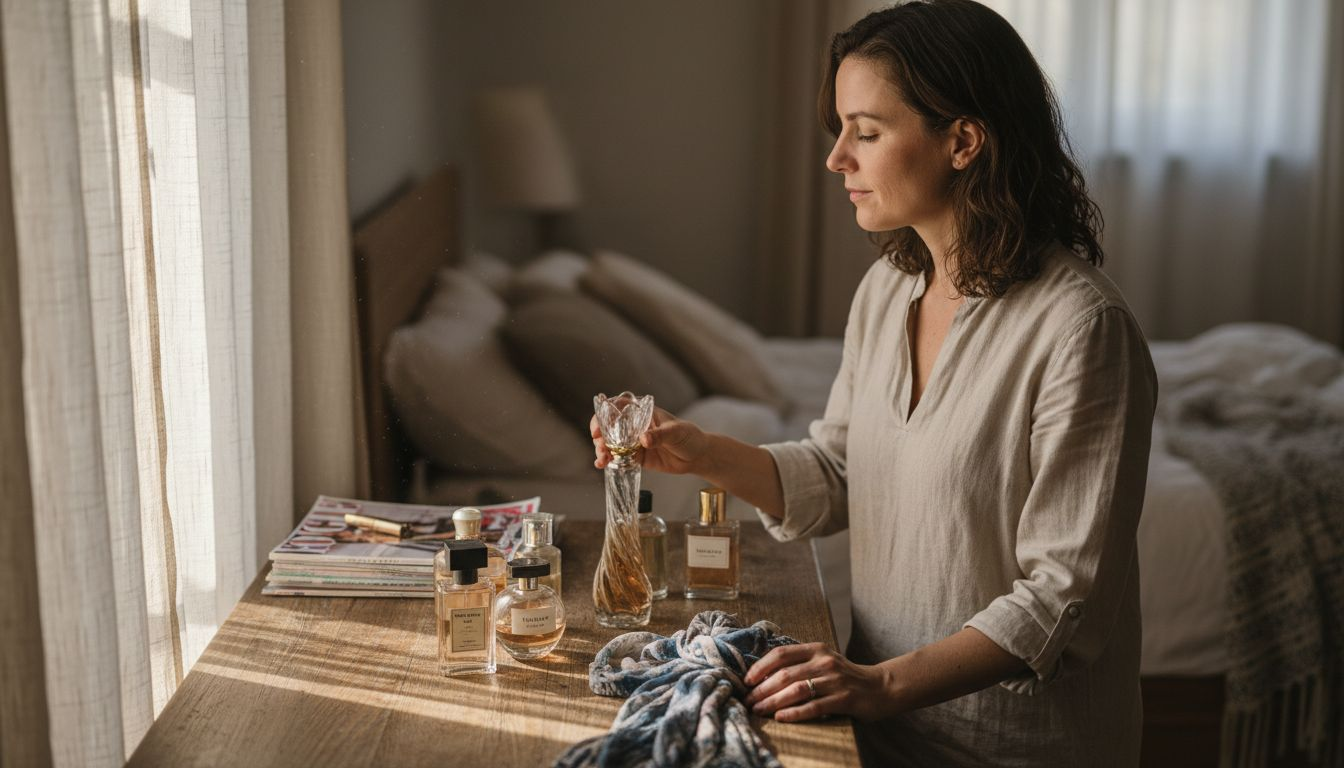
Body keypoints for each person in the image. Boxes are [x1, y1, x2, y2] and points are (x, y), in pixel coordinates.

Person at [590, 1, 1156, 765]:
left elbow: (1063, 595)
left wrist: (882, 684)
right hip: (875, 729)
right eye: (841, 131)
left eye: (866, 131)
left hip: (1012, 747)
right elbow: (839, 472)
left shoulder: (1082, 328)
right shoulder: (890, 290)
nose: (836, 160)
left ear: (962, 142)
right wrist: (701, 453)